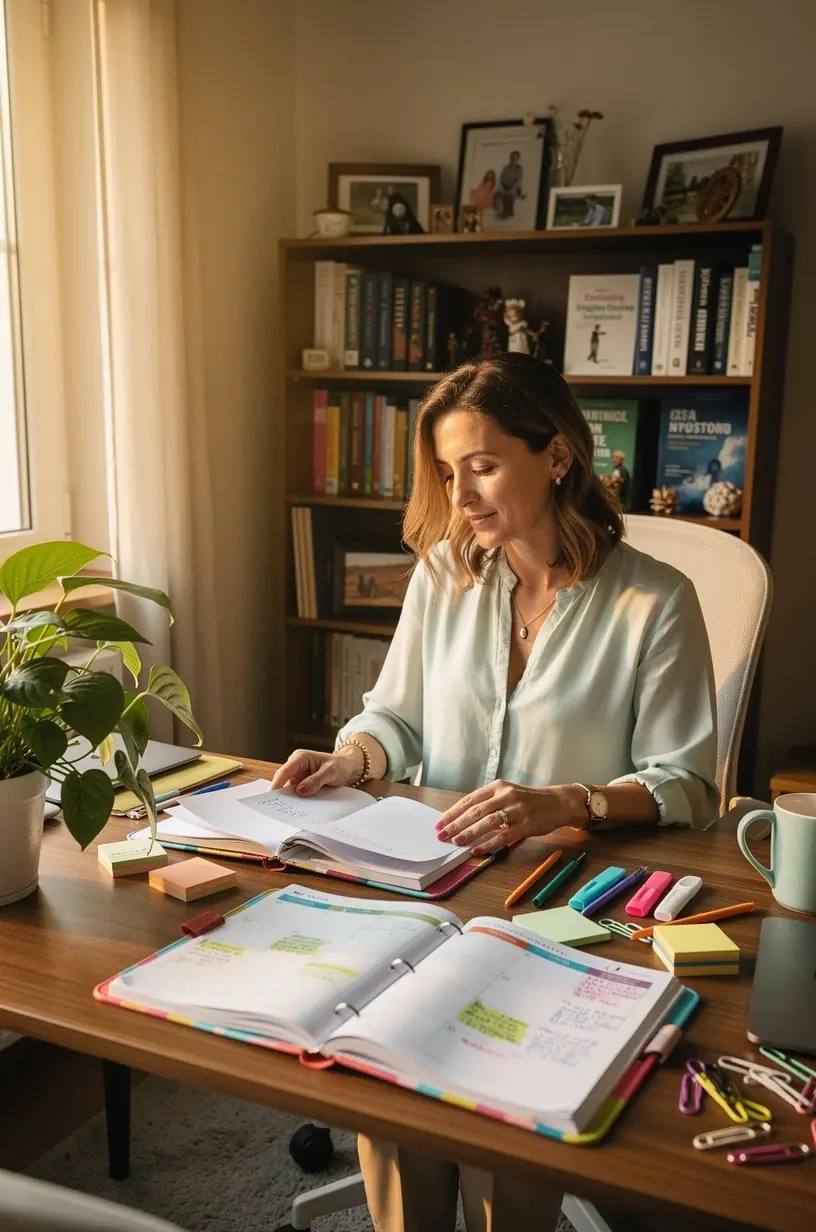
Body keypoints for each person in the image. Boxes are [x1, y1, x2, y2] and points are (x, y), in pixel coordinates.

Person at [271, 352, 718, 1232]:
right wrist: (353, 760)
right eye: (447, 471)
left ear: (556, 457)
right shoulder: (444, 576)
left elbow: (688, 783)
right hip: (427, 881)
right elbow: (394, 716)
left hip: (561, 903)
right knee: (386, 1073)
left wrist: (565, 801)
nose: (462, 494)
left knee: (505, 1110)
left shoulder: (657, 602)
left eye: (482, 464)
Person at [495, 150, 525, 218]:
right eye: (511, 157)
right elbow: (501, 178)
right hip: (504, 186)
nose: (513, 159)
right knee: (498, 195)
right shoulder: (506, 168)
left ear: (518, 159)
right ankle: (501, 210)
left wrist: (512, 189)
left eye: (515, 158)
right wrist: (501, 188)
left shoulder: (519, 169)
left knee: (509, 195)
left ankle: (508, 213)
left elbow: (518, 181)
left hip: (514, 187)